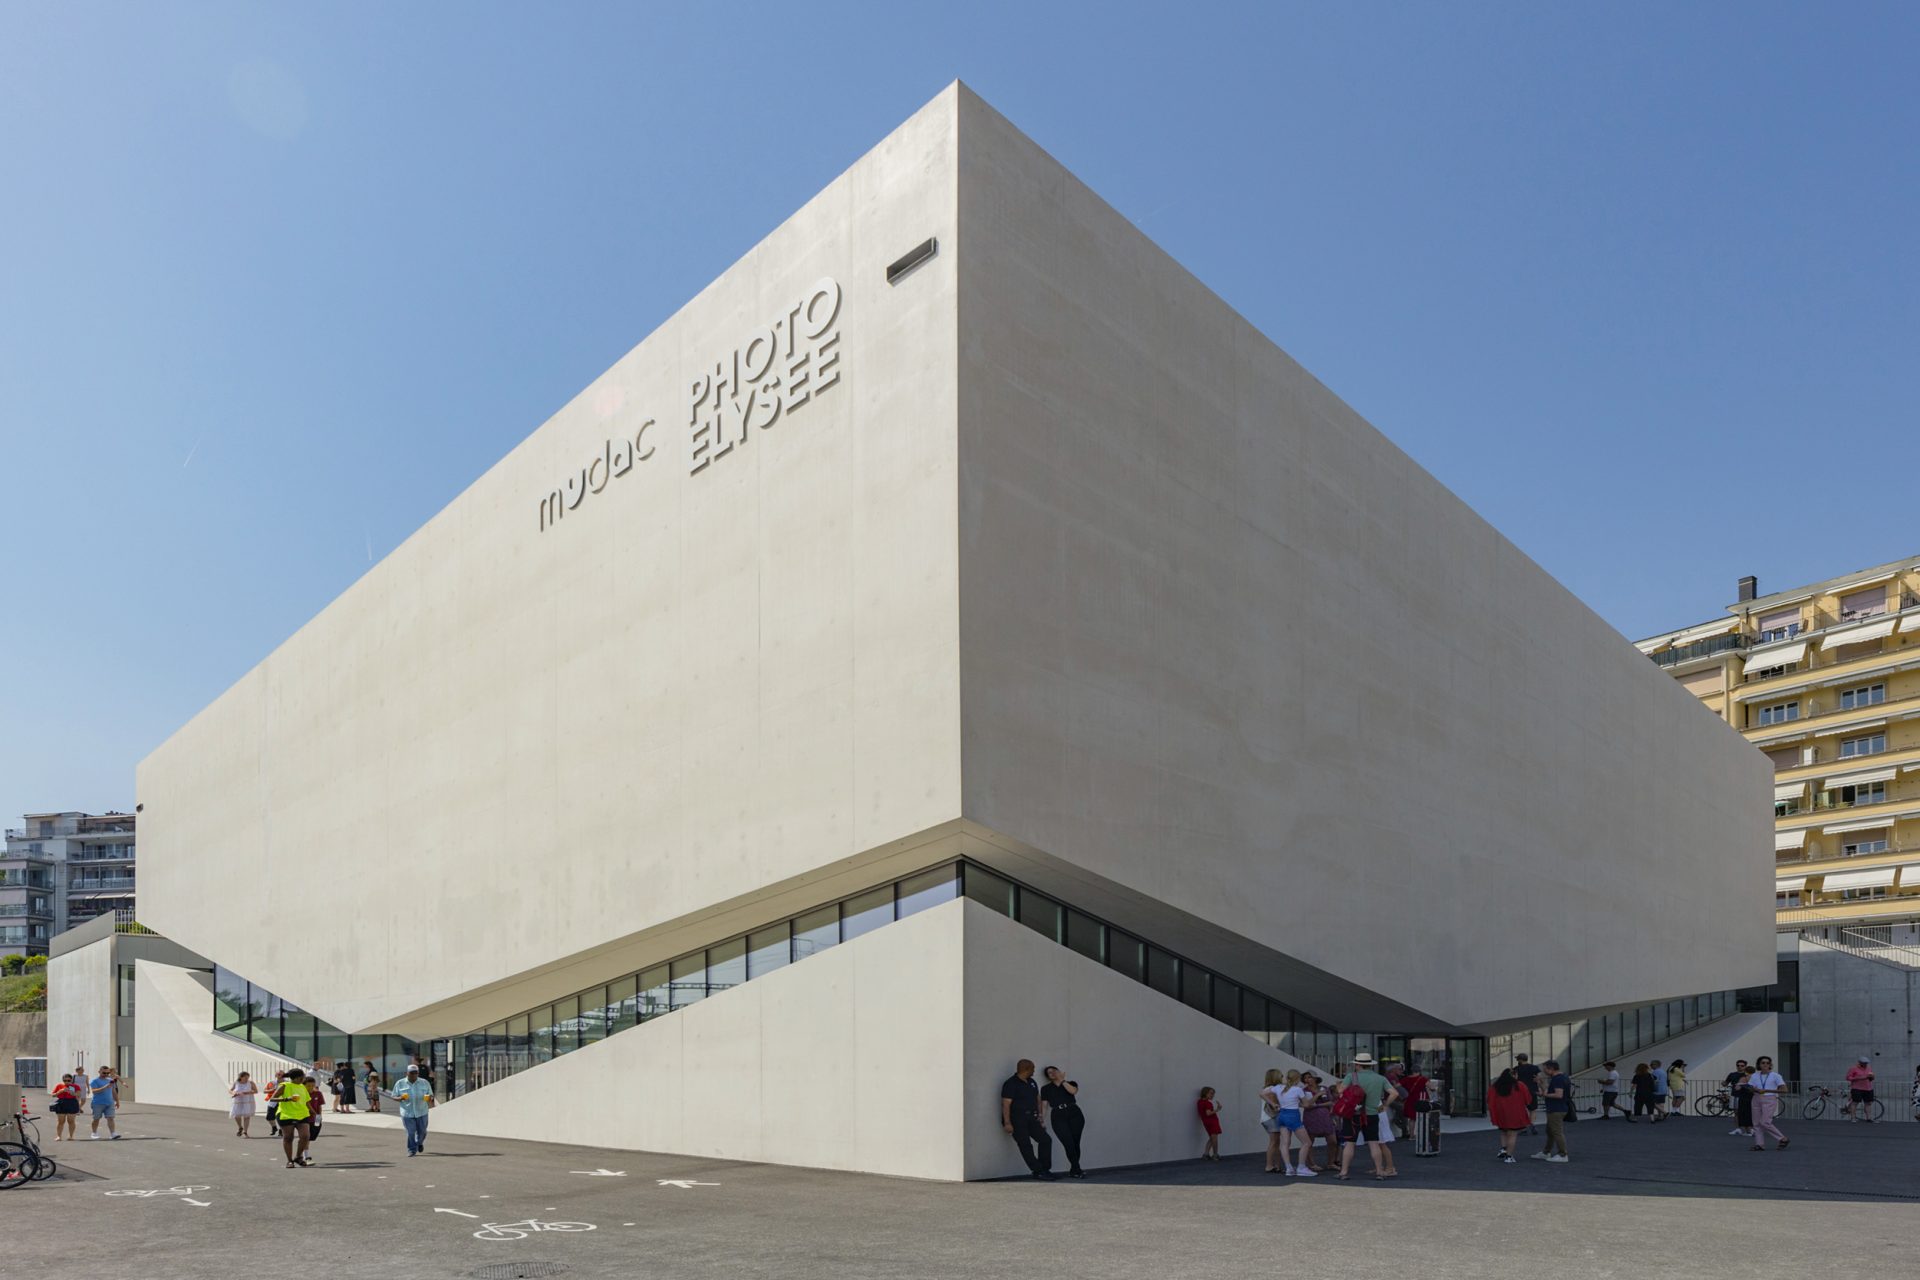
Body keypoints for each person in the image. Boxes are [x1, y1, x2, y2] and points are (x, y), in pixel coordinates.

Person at [1336, 1051, 1395, 1181]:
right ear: (1370, 1065)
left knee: (1349, 1143)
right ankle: (1379, 1171)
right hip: (1372, 1114)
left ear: (1357, 1065)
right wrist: (1385, 1105)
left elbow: (1340, 1091)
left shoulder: (1352, 1076)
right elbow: (1394, 1093)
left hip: (1353, 1114)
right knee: (1374, 1143)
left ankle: (1344, 1172)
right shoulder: (1380, 1078)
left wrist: (1338, 1085)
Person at [999, 1059, 1053, 1179]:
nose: (1034, 1071)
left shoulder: (1031, 1082)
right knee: (1025, 1145)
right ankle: (1037, 1171)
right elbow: (1006, 1104)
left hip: (1031, 1118)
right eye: (1033, 1068)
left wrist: (1039, 1116)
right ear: (1026, 1069)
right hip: (1017, 1119)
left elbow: (1037, 1098)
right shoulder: (1011, 1083)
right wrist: (1007, 1122)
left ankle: (1045, 1169)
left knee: (1045, 1140)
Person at [1040, 1066, 1085, 1178]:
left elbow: (1073, 1091)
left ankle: (1074, 1170)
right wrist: (1042, 1120)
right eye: (1049, 1073)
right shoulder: (1045, 1088)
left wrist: (1062, 1080)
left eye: (1054, 1071)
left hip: (1074, 1113)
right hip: (1058, 1115)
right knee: (1068, 1143)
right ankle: (1076, 1169)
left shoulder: (1070, 1083)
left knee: (1075, 1143)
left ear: (1059, 1071)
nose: (1052, 1074)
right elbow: (1044, 1106)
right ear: (1048, 1077)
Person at [387, 1062, 435, 1157]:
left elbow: (431, 1095)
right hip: (407, 1112)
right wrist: (400, 1098)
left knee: (422, 1132)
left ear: (418, 1073)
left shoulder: (424, 1082)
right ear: (407, 1073)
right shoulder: (400, 1083)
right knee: (410, 1132)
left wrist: (429, 1098)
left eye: (415, 1073)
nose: (414, 1075)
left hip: (422, 1111)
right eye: (411, 1073)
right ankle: (411, 1150)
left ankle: (419, 1143)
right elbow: (393, 1096)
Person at [1529, 1059, 1572, 1162]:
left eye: (1545, 1070)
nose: (1544, 1072)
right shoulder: (1561, 1077)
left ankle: (1562, 1154)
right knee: (1550, 1131)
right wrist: (1540, 1083)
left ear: (1551, 1068)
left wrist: (1544, 1094)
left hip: (1556, 1109)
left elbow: (1558, 1094)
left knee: (1556, 1132)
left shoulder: (1557, 1079)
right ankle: (1546, 1152)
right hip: (1557, 1108)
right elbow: (1549, 1090)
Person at [270, 1067, 314, 1167]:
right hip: (286, 1114)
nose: (303, 1079)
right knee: (288, 1138)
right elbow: (273, 1098)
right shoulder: (285, 1086)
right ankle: (290, 1161)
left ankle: (298, 1157)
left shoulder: (302, 1087)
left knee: (305, 1136)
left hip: (302, 1114)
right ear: (296, 1078)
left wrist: (314, 1112)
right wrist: (287, 1099)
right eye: (302, 1077)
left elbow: (307, 1101)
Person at [1487, 1068, 1529, 1163]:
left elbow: (1489, 1100)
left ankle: (1503, 1149)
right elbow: (1528, 1099)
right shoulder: (1519, 1085)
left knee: (1503, 1131)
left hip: (1500, 1113)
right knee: (1512, 1134)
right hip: (1515, 1113)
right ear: (1514, 1075)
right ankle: (1509, 1156)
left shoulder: (1495, 1086)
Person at [1300, 1072, 1338, 1173]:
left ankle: (1330, 1163)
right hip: (1311, 1118)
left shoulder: (1324, 1088)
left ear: (1316, 1078)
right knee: (1309, 1142)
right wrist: (1317, 1095)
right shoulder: (1303, 1091)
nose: (1307, 1080)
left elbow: (1331, 1102)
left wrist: (1317, 1105)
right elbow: (1307, 1105)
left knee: (1332, 1141)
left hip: (1325, 1117)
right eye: (1305, 1078)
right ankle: (1312, 1164)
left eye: (1310, 1077)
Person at [1748, 1055, 1788, 1151]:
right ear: (1759, 1065)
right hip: (1756, 1098)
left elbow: (1785, 1090)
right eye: (1763, 1063)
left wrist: (1767, 1090)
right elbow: (1750, 1088)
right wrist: (1755, 1089)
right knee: (1756, 1123)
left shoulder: (1776, 1075)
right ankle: (1759, 1144)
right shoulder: (1754, 1075)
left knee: (1765, 1122)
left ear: (1770, 1065)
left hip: (1769, 1098)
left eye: (1767, 1063)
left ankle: (1783, 1138)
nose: (1765, 1064)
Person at [1398, 1064, 1431, 1140]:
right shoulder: (1423, 1079)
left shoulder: (1406, 1079)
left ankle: (1411, 1135)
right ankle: (1423, 1135)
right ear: (1419, 1071)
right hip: (1421, 1100)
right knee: (1423, 1117)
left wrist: (1403, 1094)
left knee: (1412, 1119)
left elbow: (1396, 1086)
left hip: (1410, 1100)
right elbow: (1431, 1087)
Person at [88, 1066, 120, 1139]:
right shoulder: (95, 1081)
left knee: (111, 1118)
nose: (106, 1074)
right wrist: (105, 1087)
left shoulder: (110, 1080)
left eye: (108, 1073)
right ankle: (94, 1133)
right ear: (99, 1072)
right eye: (104, 1073)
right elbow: (94, 1091)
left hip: (109, 1102)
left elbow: (114, 1091)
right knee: (96, 1118)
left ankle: (113, 1133)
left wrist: (117, 1101)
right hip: (98, 1103)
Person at [48, 1073, 82, 1141]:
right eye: (65, 1080)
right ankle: (59, 1136)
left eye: (68, 1080)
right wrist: (60, 1091)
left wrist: (71, 1092)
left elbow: (78, 1095)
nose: (67, 1082)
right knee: (61, 1121)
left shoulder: (75, 1086)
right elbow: (53, 1095)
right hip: (61, 1102)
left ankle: (71, 1136)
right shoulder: (59, 1086)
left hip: (72, 1102)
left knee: (71, 1121)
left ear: (71, 1080)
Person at [1513, 1054, 1541, 1134]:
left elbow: (1514, 1079)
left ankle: (1523, 1127)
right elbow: (1539, 1078)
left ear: (1520, 1060)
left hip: (1520, 1092)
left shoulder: (1516, 1069)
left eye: (1517, 1059)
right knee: (1532, 1109)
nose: (1517, 1061)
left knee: (1521, 1109)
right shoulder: (1534, 1068)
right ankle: (1532, 1124)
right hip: (1532, 1091)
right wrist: (1539, 1087)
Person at [1723, 1060, 1752, 1136]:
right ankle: (1738, 1129)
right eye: (1738, 1065)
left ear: (1745, 1066)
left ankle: (1749, 1129)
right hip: (1735, 1095)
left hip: (1745, 1096)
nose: (1740, 1067)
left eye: (1742, 1065)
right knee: (1736, 1112)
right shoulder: (1732, 1074)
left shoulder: (1748, 1075)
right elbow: (1726, 1083)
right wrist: (1723, 1083)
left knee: (1746, 1113)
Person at [1844, 1057, 1876, 1122]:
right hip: (1857, 1088)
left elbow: (1871, 1078)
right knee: (1855, 1103)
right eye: (1864, 1063)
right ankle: (1853, 1118)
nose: (1866, 1064)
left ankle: (1869, 1118)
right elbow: (1848, 1077)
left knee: (1868, 1103)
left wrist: (1872, 1077)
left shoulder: (1869, 1069)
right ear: (1860, 1063)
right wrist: (1861, 1078)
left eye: (1866, 1063)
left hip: (1868, 1088)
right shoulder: (1853, 1068)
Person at [1196, 1086, 1222, 1161]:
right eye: (1211, 1094)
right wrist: (1217, 1109)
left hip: (1206, 1123)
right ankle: (1215, 1154)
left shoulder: (1199, 1102)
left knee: (1211, 1138)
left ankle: (1206, 1154)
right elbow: (1208, 1113)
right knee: (1214, 1139)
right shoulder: (1208, 1103)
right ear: (1205, 1093)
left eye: (1213, 1094)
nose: (1212, 1095)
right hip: (1212, 1122)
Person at [229, 1071, 259, 1138]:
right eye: (245, 1077)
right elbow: (230, 1090)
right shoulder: (236, 1083)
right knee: (236, 1116)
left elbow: (256, 1091)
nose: (247, 1079)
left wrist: (246, 1093)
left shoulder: (250, 1083)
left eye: (248, 1077)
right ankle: (240, 1127)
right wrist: (233, 1093)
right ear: (241, 1077)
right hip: (237, 1101)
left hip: (247, 1101)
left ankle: (245, 1132)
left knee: (247, 1117)